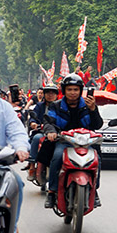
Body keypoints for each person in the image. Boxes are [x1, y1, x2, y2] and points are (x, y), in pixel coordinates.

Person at [43, 74, 103, 209]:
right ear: (64, 90)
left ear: (80, 91)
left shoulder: (89, 105)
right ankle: (52, 191)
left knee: (97, 159)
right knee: (57, 157)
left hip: (86, 143)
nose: (72, 93)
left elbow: (97, 124)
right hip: (64, 141)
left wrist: (93, 110)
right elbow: (48, 121)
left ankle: (95, 190)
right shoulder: (55, 106)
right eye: (69, 89)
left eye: (76, 90)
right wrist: (51, 132)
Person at [0, 69, 28, 233]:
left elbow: (17, 131)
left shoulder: (3, 107)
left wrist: (20, 148)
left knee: (17, 183)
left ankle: (11, 226)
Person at [26, 85, 59, 178]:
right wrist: (33, 123)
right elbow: (33, 117)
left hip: (57, 133)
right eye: (48, 93)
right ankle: (32, 165)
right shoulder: (40, 106)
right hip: (41, 131)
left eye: (53, 93)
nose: (50, 95)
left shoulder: (60, 106)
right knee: (36, 138)